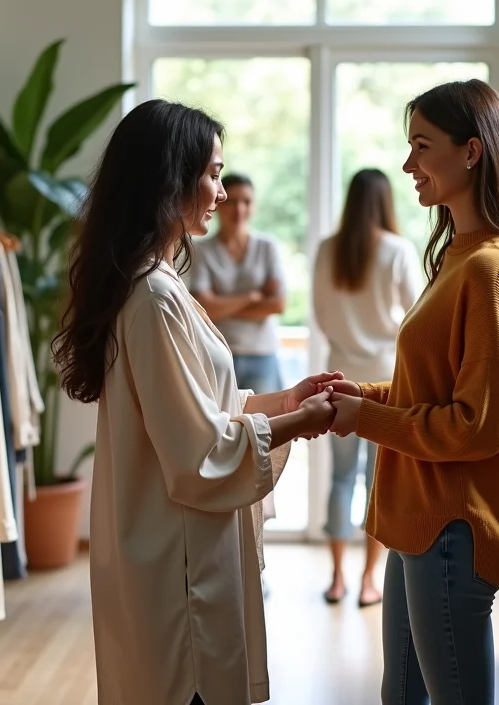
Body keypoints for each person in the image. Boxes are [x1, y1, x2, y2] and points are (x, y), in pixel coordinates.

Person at [52, 99, 341, 705]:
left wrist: (286, 399)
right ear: (171, 179)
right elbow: (198, 452)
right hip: (174, 563)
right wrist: (300, 422)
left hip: (165, 549)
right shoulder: (155, 296)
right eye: (211, 174)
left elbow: (204, 408)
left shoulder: (154, 282)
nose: (219, 190)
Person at [325, 80, 499, 705]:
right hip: (421, 523)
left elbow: (478, 425)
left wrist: (364, 416)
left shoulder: (489, 266)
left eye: (422, 147)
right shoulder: (458, 254)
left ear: (472, 152)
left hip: (452, 527)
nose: (408, 165)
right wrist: (363, 396)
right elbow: (429, 388)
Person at [312, 168, 420, 608]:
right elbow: (417, 316)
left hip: (337, 375)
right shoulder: (397, 250)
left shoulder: (326, 250)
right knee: (379, 481)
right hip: (386, 380)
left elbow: (319, 313)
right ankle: (370, 579)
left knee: (340, 478)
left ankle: (337, 579)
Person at [190, 173, 287, 395]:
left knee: (267, 424)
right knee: (224, 424)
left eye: (247, 202)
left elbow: (278, 305)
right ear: (219, 204)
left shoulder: (267, 247)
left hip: (261, 354)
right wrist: (253, 297)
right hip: (217, 354)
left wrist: (220, 305)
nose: (239, 209)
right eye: (232, 201)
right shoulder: (201, 250)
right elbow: (203, 309)